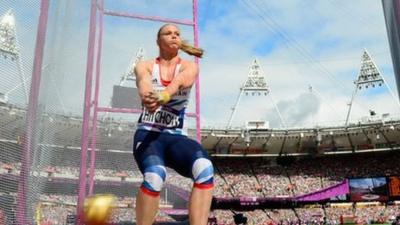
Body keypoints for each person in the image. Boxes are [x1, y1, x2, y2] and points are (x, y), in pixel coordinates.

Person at [133, 23, 214, 225]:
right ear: (158, 40)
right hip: (148, 136)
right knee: (155, 175)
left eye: (177, 33)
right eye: (168, 33)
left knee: (204, 168)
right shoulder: (145, 65)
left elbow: (181, 81)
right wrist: (147, 97)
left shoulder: (189, 66)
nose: (174, 36)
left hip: (176, 138)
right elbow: (143, 82)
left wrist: (165, 95)